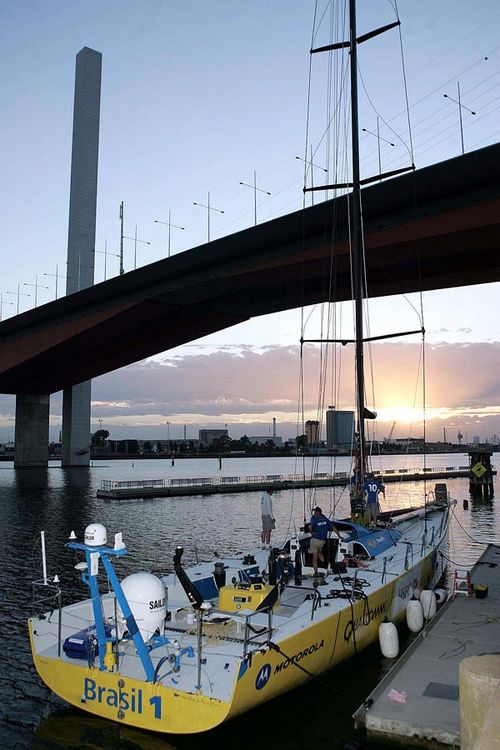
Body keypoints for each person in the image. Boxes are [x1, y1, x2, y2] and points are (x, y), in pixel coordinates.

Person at [309, 507, 339, 574]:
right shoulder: (325, 519)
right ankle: (324, 563)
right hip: (322, 541)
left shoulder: (314, 519)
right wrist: (339, 535)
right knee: (319, 551)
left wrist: (311, 532)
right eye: (314, 512)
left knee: (314, 558)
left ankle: (316, 572)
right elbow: (333, 527)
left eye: (316, 512)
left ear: (319, 513)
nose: (314, 513)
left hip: (315, 540)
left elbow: (310, 526)